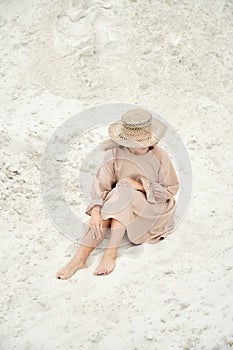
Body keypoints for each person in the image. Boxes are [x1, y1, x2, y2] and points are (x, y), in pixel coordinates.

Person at [56, 108, 179, 279]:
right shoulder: (114, 153)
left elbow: (171, 189)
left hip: (152, 208)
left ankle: (110, 253)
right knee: (115, 198)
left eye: (145, 136)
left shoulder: (159, 155)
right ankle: (79, 258)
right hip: (121, 202)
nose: (143, 141)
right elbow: (102, 187)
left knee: (123, 192)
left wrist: (139, 185)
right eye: (137, 138)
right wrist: (97, 212)